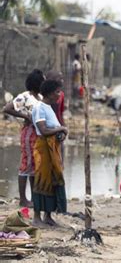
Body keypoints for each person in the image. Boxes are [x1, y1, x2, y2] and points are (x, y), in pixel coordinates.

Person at [2, 69, 45, 207]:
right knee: (26, 163)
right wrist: (25, 116)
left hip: (38, 132)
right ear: (36, 83)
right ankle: (23, 199)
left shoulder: (40, 98)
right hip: (29, 132)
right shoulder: (25, 96)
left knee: (34, 164)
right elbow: (7, 109)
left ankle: (32, 197)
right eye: (42, 81)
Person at [31, 79, 68, 226]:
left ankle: (48, 215)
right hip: (43, 149)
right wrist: (61, 129)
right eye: (57, 92)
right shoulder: (39, 107)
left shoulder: (49, 107)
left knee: (53, 180)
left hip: (53, 149)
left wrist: (61, 133)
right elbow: (44, 130)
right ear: (49, 93)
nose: (59, 95)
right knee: (42, 180)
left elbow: (54, 128)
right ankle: (36, 217)